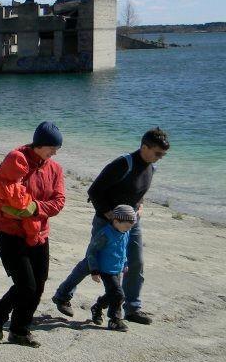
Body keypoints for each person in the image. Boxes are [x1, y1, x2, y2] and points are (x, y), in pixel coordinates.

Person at [52, 127, 170, 325]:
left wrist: (139, 207)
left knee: (136, 262)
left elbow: (138, 193)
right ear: (144, 147)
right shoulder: (123, 164)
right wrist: (110, 216)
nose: (160, 157)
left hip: (132, 223)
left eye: (163, 155)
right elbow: (94, 190)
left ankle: (132, 308)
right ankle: (63, 295)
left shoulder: (151, 167)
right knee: (92, 262)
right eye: (158, 153)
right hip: (106, 222)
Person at [0, 121, 66, 348]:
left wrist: (36, 208)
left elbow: (59, 202)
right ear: (40, 145)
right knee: (26, 285)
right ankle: (0, 314)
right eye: (52, 148)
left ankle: (18, 329)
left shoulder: (55, 169)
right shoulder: (16, 161)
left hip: (39, 233)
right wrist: (4, 209)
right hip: (11, 233)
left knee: (38, 285)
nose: (55, 153)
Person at [75, 205, 138, 332]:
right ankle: (114, 320)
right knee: (119, 294)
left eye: (130, 227)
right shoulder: (105, 234)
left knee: (112, 294)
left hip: (117, 269)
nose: (128, 229)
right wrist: (94, 270)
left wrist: (125, 264)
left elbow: (123, 250)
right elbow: (92, 252)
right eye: (126, 226)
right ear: (116, 221)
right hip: (105, 270)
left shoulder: (125, 232)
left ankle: (97, 307)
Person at [0, 151, 45, 246]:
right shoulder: (13, 188)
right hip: (12, 218)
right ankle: (33, 237)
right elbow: (21, 204)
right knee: (32, 222)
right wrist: (29, 197)